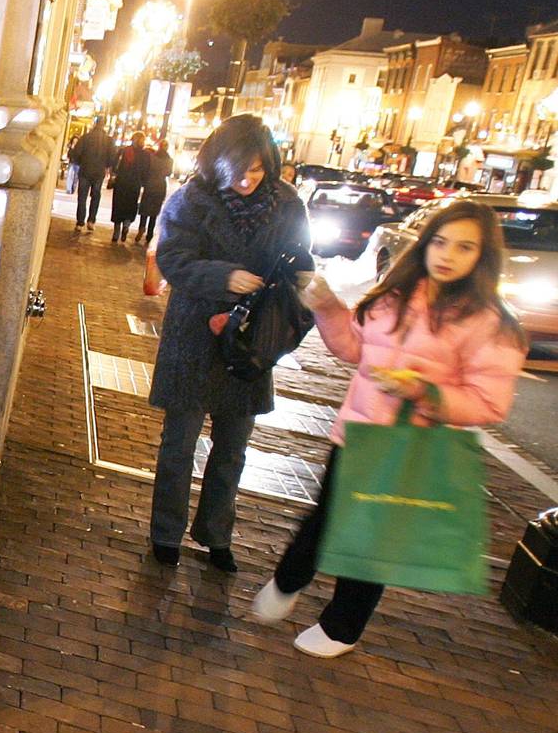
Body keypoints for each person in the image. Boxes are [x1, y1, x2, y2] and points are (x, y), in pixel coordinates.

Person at [251, 200, 527, 656]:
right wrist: (329, 308)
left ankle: (342, 628)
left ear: (483, 255)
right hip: (358, 434)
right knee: (326, 518)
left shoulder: (488, 323)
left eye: (464, 247)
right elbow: (355, 349)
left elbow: (488, 402)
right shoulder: (399, 293)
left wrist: (424, 392)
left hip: (411, 445)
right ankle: (288, 580)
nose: (447, 255)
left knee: (371, 537)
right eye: (440, 241)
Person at [148, 114, 310, 572]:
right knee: (178, 443)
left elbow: (301, 258)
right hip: (194, 334)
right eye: (238, 169)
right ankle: (166, 534)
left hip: (251, 338)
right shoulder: (192, 200)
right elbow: (173, 259)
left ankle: (217, 535)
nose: (247, 179)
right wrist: (224, 277)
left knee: (233, 448)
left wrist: (298, 281)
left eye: (258, 169)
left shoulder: (286, 204)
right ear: (216, 162)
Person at [70, 120, 114, 234]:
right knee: (96, 196)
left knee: (82, 196)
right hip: (99, 172)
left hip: (85, 170)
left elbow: (76, 154)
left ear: (95, 124)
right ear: (104, 126)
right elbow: (111, 158)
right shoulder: (108, 141)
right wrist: (106, 165)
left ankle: (80, 222)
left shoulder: (86, 137)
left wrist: (81, 162)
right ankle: (91, 220)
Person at [109, 132, 150, 243]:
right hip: (134, 185)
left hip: (121, 183)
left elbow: (114, 165)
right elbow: (146, 172)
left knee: (118, 207)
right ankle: (126, 225)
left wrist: (113, 175)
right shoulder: (145, 155)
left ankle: (116, 233)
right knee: (130, 207)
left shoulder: (124, 151)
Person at [137, 140, 173, 245]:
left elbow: (146, 169)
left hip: (150, 184)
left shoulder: (151, 157)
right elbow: (168, 173)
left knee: (145, 208)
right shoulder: (170, 160)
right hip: (161, 186)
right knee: (154, 211)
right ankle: (149, 234)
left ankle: (142, 226)